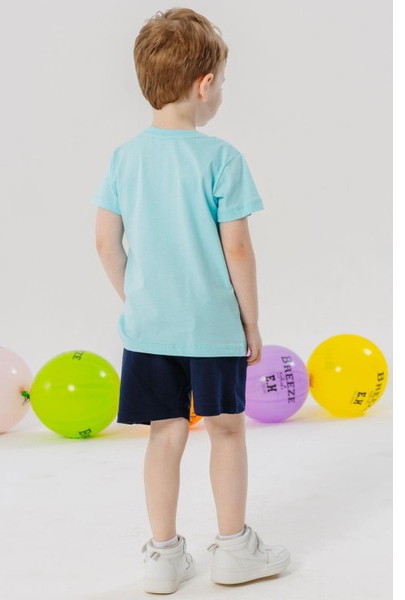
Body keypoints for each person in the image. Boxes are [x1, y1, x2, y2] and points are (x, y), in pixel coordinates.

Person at [93, 7, 290, 594]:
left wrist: (137, 299)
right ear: (205, 85)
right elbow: (239, 249)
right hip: (212, 327)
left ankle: (163, 556)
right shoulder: (221, 158)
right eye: (222, 82)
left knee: (164, 433)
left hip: (149, 328)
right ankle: (234, 550)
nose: (221, 91)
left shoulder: (124, 158)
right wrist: (251, 322)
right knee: (226, 429)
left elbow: (105, 241)